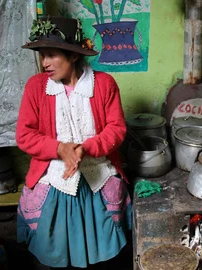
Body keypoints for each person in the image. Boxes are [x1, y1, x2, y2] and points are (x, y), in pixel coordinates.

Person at [15, 16, 131, 268]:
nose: (44, 63)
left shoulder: (104, 84)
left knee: (105, 251)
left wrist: (84, 149)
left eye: (51, 55)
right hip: (53, 172)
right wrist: (59, 148)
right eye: (41, 55)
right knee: (50, 247)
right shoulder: (36, 87)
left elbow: (116, 129)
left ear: (74, 55)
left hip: (95, 169)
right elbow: (25, 136)